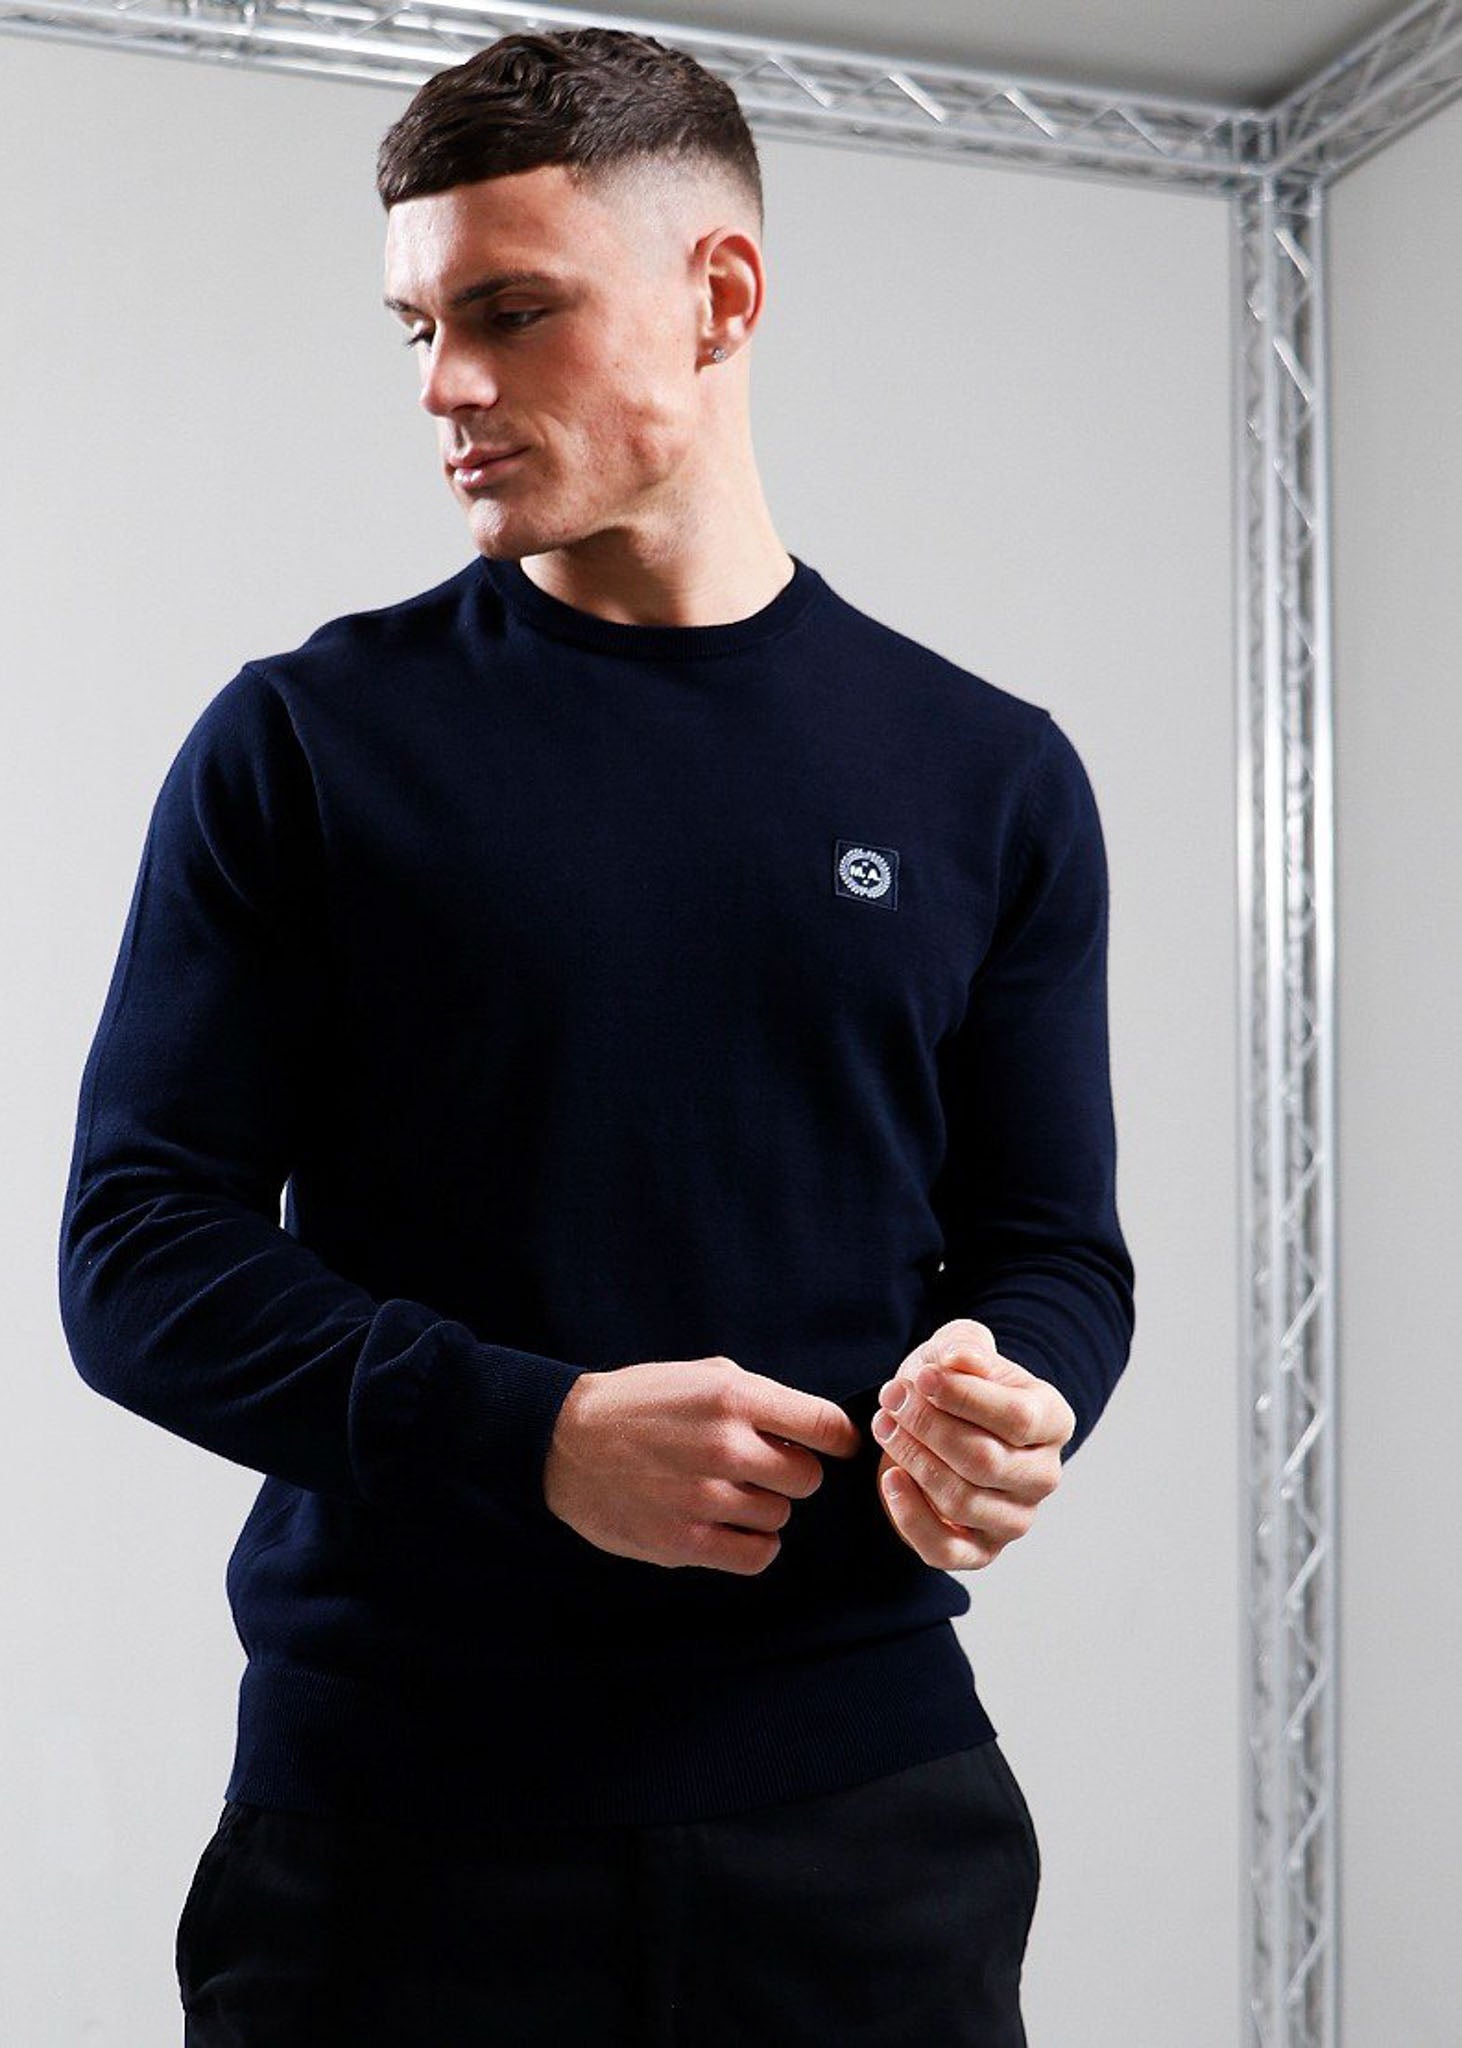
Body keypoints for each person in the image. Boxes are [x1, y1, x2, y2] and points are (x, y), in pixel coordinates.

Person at [56, 25, 1135, 2046]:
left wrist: (1014, 1386)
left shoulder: (988, 775)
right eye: (416, 328)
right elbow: (134, 1255)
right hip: (395, 1836)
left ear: (718, 295)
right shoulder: (304, 745)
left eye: (507, 310)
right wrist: (531, 1436)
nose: (442, 385)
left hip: (864, 1828)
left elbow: (1050, 1246)